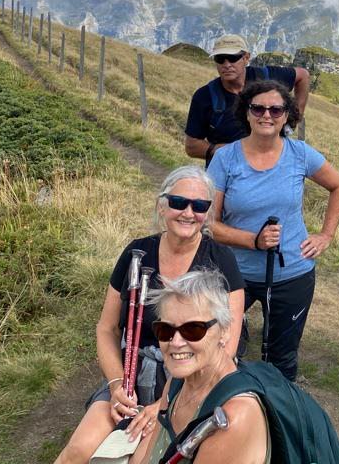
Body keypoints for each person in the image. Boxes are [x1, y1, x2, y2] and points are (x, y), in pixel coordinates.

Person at [54, 166, 246, 464]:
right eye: (179, 202)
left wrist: (163, 404)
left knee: (141, 460)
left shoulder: (222, 261)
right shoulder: (136, 253)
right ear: (162, 205)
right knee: (77, 452)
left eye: (200, 205)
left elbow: (226, 345)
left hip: (190, 380)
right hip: (131, 375)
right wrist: (117, 385)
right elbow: (106, 329)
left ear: (208, 212)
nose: (188, 212)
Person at [208, 79, 339, 381]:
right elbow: (208, 223)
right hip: (234, 273)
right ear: (246, 112)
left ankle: (278, 416)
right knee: (222, 350)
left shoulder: (300, 154)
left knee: (282, 361)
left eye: (276, 109)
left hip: (292, 274)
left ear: (287, 115)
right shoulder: (225, 159)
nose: (266, 115)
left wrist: (325, 236)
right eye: (258, 108)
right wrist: (253, 241)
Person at [130, 270, 268, 464]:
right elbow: (150, 457)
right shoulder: (177, 382)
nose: (176, 342)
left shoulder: (233, 418)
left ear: (225, 331)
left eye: (193, 329)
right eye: (165, 329)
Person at [184, 34, 310, 164]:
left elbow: (303, 76)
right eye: (220, 59)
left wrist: (295, 117)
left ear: (246, 58)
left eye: (233, 58)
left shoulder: (266, 77)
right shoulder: (205, 96)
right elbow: (191, 147)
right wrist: (226, 151)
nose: (226, 64)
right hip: (228, 172)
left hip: (272, 166)